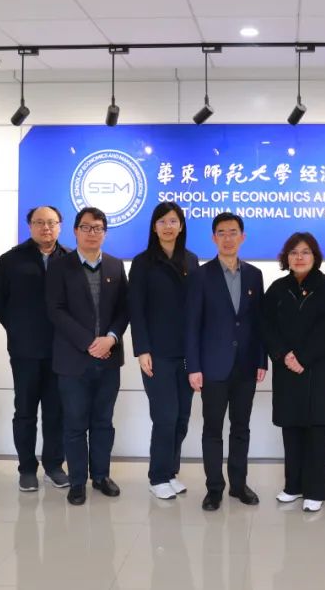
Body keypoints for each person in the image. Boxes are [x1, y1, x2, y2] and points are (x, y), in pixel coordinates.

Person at [45, 206, 129, 506]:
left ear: (104, 232)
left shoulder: (116, 266)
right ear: (75, 231)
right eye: (86, 227)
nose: (92, 233)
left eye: (98, 228)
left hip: (109, 358)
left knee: (104, 422)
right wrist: (88, 342)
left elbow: (124, 309)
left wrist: (111, 339)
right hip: (73, 360)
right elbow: (55, 310)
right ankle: (78, 481)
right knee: (75, 423)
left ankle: (101, 476)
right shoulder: (59, 266)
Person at [186, 212, 267, 512]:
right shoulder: (200, 275)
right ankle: (214, 488)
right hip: (212, 367)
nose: (228, 238)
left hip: (246, 365)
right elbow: (192, 325)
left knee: (241, 427)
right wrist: (193, 367)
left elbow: (259, 322)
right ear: (213, 238)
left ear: (242, 237)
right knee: (212, 430)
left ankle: (238, 484)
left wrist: (262, 359)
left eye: (233, 232)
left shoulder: (255, 275)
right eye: (222, 233)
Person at [0, 206, 70, 492]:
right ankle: (26, 468)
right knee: (25, 411)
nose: (46, 228)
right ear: (30, 226)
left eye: (51, 223)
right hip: (25, 350)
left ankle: (54, 466)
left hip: (62, 350)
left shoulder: (70, 259)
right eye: (39, 223)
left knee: (56, 412)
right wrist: (17, 326)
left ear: (60, 226)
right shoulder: (11, 259)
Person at [262, 232, 325, 513]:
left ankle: (316, 490)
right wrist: (284, 354)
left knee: (317, 431)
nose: (299, 257)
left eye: (305, 252)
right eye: (294, 252)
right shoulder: (278, 288)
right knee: (291, 428)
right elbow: (266, 326)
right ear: (286, 257)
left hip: (317, 368)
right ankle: (293, 486)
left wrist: (304, 358)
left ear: (315, 256)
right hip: (286, 368)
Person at [128, 202, 199, 500]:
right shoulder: (143, 262)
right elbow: (136, 309)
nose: (168, 227)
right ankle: (157, 476)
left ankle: (170, 472)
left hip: (188, 352)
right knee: (165, 416)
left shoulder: (191, 260)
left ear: (181, 226)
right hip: (157, 352)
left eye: (173, 221)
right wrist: (142, 349)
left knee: (182, 416)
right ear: (154, 227)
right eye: (162, 221)